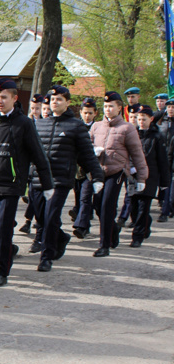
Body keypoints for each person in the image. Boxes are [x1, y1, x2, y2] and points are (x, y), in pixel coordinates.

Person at [0, 78, 53, 287]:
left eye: (3, 97)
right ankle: (6, 252)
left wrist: (47, 184)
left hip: (11, 185)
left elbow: (38, 154)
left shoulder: (24, 123)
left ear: (14, 98)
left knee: (3, 227)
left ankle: (2, 271)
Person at [29, 86, 104, 272]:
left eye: (60, 99)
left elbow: (87, 155)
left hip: (60, 180)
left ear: (68, 103)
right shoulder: (39, 124)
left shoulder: (76, 126)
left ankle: (46, 257)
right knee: (42, 218)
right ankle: (61, 237)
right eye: (52, 99)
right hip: (38, 179)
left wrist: (97, 176)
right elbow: (30, 152)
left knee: (50, 216)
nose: (55, 102)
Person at [90, 91, 148, 257]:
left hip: (116, 171)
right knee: (97, 206)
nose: (107, 109)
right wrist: (93, 151)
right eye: (106, 106)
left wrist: (142, 176)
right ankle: (113, 229)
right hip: (99, 171)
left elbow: (137, 153)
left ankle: (104, 245)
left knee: (107, 206)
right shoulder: (97, 126)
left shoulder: (127, 128)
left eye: (111, 106)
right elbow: (88, 145)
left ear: (119, 108)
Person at [130, 105, 170, 247]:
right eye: (138, 119)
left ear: (151, 119)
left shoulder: (157, 137)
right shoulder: (132, 134)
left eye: (144, 119)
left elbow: (162, 161)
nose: (141, 122)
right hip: (133, 177)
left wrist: (164, 183)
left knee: (142, 208)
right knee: (133, 209)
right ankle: (145, 225)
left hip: (150, 177)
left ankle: (137, 237)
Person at [19, 93, 46, 238]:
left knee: (34, 196)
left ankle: (29, 221)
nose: (35, 111)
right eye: (33, 108)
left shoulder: (44, 123)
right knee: (32, 195)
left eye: (38, 108)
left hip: (38, 165)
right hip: (27, 165)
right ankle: (30, 221)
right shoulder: (27, 122)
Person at [73, 98, 99, 238]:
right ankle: (85, 223)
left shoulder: (98, 127)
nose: (87, 115)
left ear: (95, 113)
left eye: (90, 113)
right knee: (79, 198)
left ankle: (81, 226)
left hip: (90, 169)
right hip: (76, 169)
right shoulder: (76, 126)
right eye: (85, 112)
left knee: (85, 198)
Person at [157, 99, 174, 222]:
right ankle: (164, 211)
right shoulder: (162, 122)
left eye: (173, 107)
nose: (171, 109)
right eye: (169, 107)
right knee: (165, 185)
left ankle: (169, 208)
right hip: (164, 156)